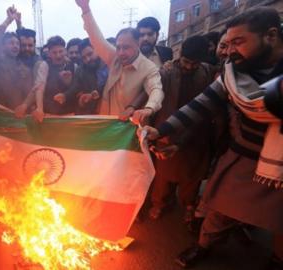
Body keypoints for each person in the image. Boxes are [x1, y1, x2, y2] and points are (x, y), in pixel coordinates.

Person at [139, 7, 283, 269]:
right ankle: (203, 247)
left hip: (279, 165)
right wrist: (161, 130)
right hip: (243, 157)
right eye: (226, 44)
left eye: (238, 42)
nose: (228, 51)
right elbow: (200, 105)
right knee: (219, 210)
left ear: (271, 36)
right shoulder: (233, 73)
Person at [148, 36, 217, 226]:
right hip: (167, 129)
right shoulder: (166, 72)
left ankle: (189, 205)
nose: (189, 67)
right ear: (180, 55)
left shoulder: (207, 72)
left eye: (194, 63)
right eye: (186, 62)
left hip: (196, 131)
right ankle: (160, 203)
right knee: (163, 175)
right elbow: (155, 99)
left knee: (191, 176)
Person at [75, 0, 164, 125]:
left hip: (129, 126)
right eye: (118, 47)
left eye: (126, 47)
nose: (121, 52)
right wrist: (85, 9)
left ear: (138, 44)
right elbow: (96, 38)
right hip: (106, 121)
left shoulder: (149, 68)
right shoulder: (114, 58)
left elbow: (156, 89)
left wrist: (149, 108)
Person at [62, 38, 107, 114]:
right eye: (84, 57)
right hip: (89, 113)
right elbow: (75, 87)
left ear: (97, 49)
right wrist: (64, 95)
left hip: (109, 112)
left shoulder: (108, 65)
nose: (88, 59)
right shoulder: (81, 70)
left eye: (90, 54)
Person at [42, 35, 76, 115]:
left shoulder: (73, 67)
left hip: (69, 114)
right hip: (49, 115)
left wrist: (68, 84)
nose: (58, 55)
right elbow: (40, 90)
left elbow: (77, 89)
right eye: (54, 52)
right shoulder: (44, 67)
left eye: (60, 51)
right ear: (49, 53)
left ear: (65, 51)